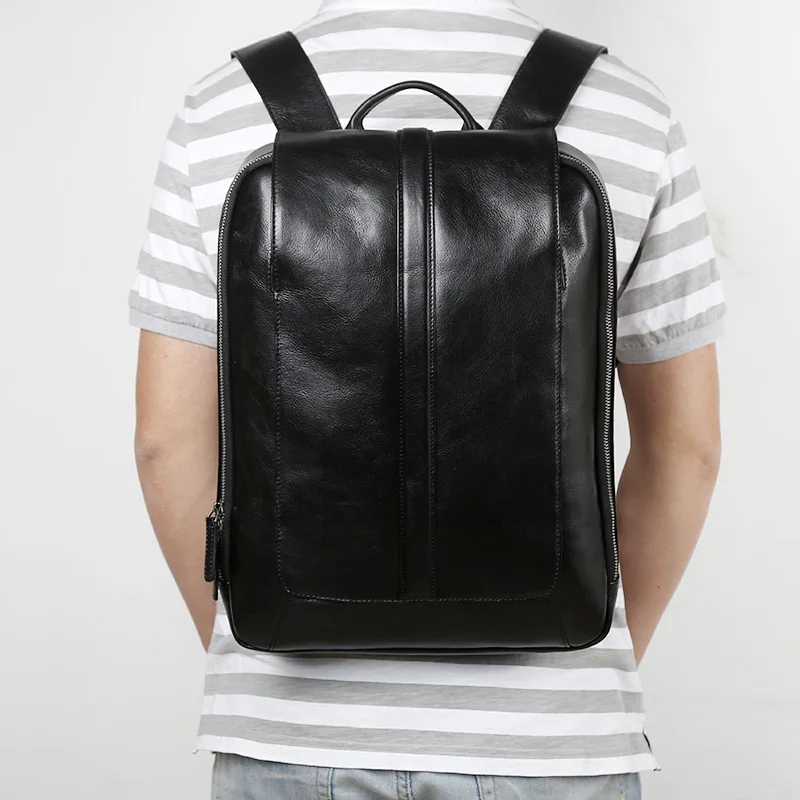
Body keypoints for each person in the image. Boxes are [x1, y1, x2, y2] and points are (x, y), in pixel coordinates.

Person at [130, 1, 724, 797]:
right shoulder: (629, 108)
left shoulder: (219, 107)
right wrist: (591, 652)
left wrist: (253, 633)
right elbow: (687, 449)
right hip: (551, 744)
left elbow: (165, 443)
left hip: (288, 729)